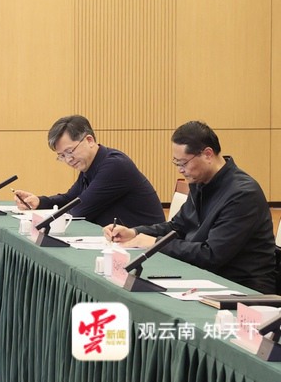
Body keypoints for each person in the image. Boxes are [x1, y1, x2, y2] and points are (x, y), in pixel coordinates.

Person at [104, 121, 275, 293]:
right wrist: (135, 232)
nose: (180, 170)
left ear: (208, 154)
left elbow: (211, 255)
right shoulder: (201, 182)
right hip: (207, 278)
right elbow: (177, 227)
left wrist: (155, 243)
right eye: (177, 163)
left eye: (183, 163)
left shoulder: (243, 194)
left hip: (242, 290)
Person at [11, 115, 164, 227]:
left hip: (143, 245)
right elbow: (70, 199)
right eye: (62, 156)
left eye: (70, 151)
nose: (68, 160)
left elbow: (79, 211)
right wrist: (40, 202)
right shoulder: (90, 165)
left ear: (89, 140)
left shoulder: (114, 166)